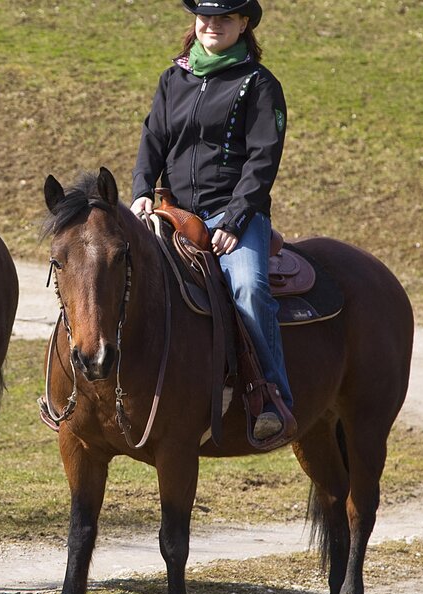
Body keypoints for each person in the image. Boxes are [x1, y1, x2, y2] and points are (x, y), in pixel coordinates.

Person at [130, 0, 292, 441]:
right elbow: (153, 140)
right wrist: (142, 193)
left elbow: (262, 161)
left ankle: (271, 397)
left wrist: (235, 220)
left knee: (248, 288)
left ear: (243, 25)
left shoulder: (258, 84)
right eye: (206, 17)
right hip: (174, 213)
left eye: (224, 18)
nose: (212, 25)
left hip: (233, 215)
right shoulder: (173, 78)